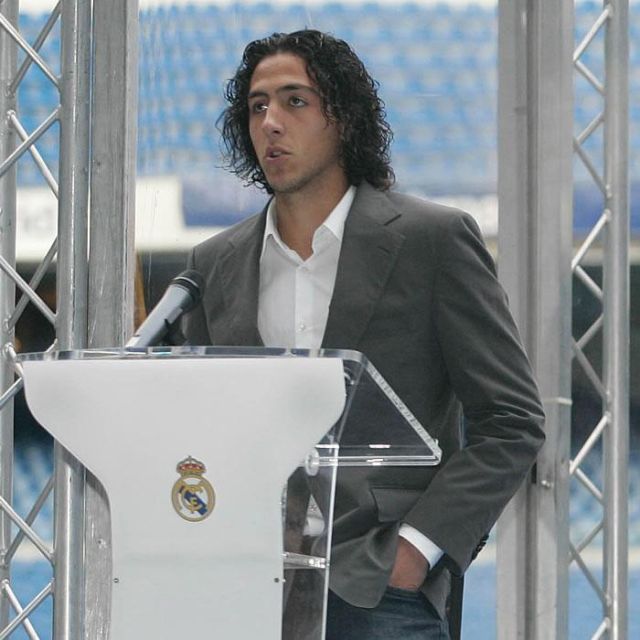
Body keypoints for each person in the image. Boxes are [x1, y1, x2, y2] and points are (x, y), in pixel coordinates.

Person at [182, 30, 545, 640]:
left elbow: (512, 420)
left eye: (295, 101)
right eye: (257, 106)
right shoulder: (212, 262)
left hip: (380, 587)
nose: (271, 122)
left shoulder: (432, 240)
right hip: (245, 583)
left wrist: (415, 552)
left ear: (344, 118)